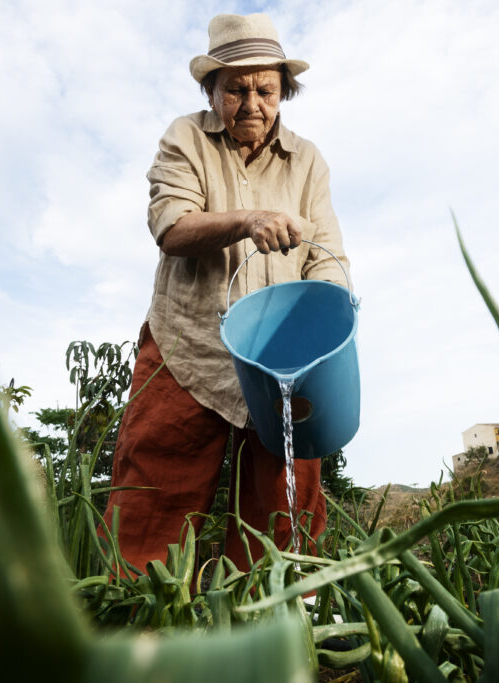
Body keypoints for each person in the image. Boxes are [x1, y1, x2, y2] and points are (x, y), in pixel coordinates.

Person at [101, 13, 350, 571]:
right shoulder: (185, 138)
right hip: (189, 348)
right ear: (210, 90)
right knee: (154, 491)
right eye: (235, 89)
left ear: (284, 92)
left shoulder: (308, 161)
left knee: (286, 500)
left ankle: (276, 614)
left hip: (280, 358)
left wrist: (332, 325)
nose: (251, 102)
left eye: (266, 89)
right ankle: (140, 612)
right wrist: (247, 220)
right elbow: (172, 228)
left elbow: (327, 257)